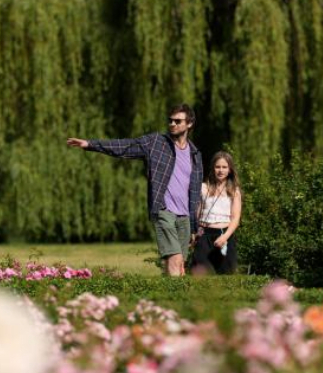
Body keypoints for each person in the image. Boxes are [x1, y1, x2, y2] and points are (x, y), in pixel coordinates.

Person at [66, 104, 203, 276]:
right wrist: (90, 144)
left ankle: (173, 298)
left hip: (185, 215)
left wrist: (194, 225)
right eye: (170, 120)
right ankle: (174, 296)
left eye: (178, 121)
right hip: (164, 210)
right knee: (174, 258)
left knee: (179, 263)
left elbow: (195, 192)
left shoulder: (195, 154)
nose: (172, 124)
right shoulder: (155, 143)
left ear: (189, 124)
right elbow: (125, 146)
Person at [191, 151, 242, 275]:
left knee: (226, 274)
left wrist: (225, 237)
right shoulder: (203, 188)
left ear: (230, 169)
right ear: (213, 168)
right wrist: (194, 232)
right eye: (217, 167)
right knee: (201, 274)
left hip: (224, 235)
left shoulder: (234, 191)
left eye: (224, 167)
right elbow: (197, 213)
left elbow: (235, 218)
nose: (220, 170)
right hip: (204, 235)